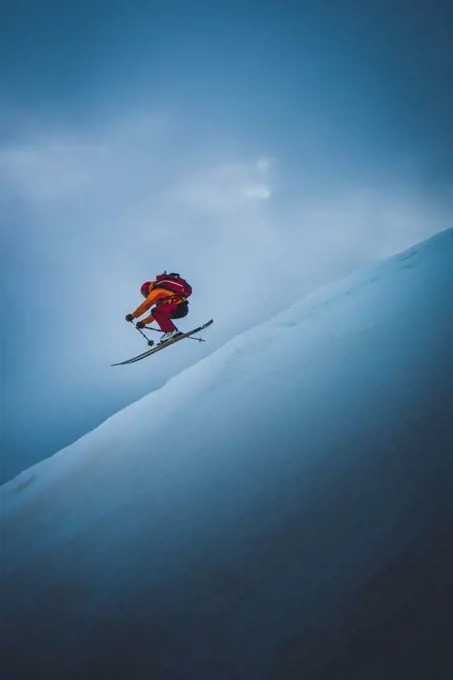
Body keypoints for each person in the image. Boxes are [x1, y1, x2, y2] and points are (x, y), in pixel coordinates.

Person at [125, 272, 192, 342]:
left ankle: (171, 331)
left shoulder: (158, 291)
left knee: (156, 311)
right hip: (180, 309)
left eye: (146, 293)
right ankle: (173, 332)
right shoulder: (163, 299)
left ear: (149, 288)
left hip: (178, 307)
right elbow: (156, 315)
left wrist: (133, 315)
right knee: (157, 312)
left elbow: (145, 305)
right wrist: (143, 322)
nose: (147, 296)